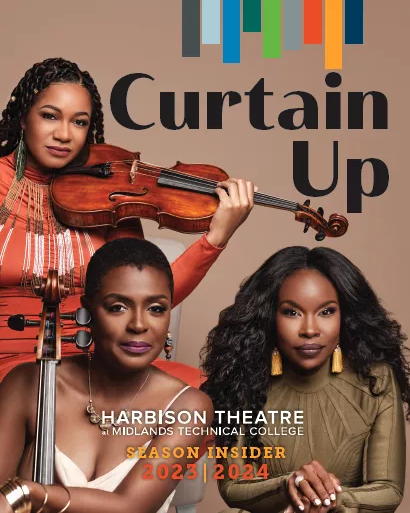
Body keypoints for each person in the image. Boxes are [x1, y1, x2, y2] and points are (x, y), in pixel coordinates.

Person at [0, 57, 255, 381]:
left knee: (206, 395)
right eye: (50, 116)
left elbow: (150, 294)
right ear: (24, 118)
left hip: (98, 365)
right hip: (11, 367)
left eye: (79, 122)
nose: (64, 134)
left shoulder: (106, 195)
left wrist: (214, 239)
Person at [0, 237, 214, 513]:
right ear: (88, 312)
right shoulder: (28, 383)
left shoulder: (189, 407)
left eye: (156, 309)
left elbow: (132, 507)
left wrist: (28, 492)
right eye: (118, 307)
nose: (138, 324)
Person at [201, 246, 408, 513]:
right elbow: (232, 486)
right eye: (291, 312)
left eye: (326, 312)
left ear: (344, 315)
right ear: (269, 315)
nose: (310, 330)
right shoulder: (241, 377)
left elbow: (389, 490)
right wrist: (290, 485)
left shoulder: (375, 378)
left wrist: (332, 500)